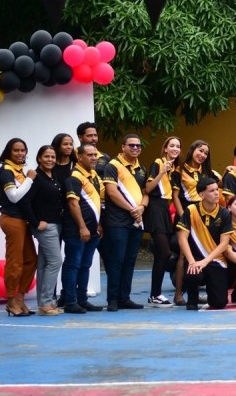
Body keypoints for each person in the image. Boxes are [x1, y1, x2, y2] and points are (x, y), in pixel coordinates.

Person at [101, 134, 148, 311]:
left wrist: (142, 207)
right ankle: (113, 299)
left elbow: (146, 192)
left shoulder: (141, 168)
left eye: (138, 146)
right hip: (117, 221)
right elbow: (112, 192)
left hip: (136, 221)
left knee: (130, 261)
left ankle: (124, 298)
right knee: (116, 260)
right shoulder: (113, 166)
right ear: (123, 147)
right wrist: (131, 209)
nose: (135, 148)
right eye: (131, 145)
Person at [20, 146, 65, 315]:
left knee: (45, 264)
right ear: (39, 158)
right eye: (46, 156)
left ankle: (44, 303)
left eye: (53, 157)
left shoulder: (53, 176)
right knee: (55, 262)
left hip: (56, 225)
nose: (50, 160)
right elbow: (24, 202)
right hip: (46, 227)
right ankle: (46, 303)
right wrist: (35, 222)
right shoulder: (36, 177)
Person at [177, 177, 233, 310]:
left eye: (217, 189)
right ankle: (192, 298)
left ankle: (212, 291)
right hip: (196, 258)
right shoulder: (191, 210)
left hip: (216, 260)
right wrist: (191, 261)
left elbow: (224, 243)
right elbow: (182, 238)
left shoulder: (224, 213)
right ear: (202, 195)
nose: (217, 193)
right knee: (192, 272)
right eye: (212, 191)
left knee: (219, 303)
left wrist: (206, 261)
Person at [62, 144, 104, 314]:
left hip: (92, 231)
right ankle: (70, 302)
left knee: (85, 265)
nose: (94, 158)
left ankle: (82, 300)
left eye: (95, 155)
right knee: (73, 265)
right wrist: (82, 227)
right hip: (77, 231)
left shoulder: (93, 176)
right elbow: (73, 204)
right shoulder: (74, 177)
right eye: (89, 155)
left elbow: (96, 202)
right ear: (79, 157)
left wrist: (98, 225)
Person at [0, 138, 37, 316]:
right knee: (15, 262)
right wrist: (29, 179)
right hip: (12, 220)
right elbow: (13, 197)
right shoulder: (6, 171)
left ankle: (20, 298)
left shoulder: (18, 170)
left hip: (23, 220)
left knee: (31, 259)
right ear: (9, 152)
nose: (20, 153)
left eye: (23, 150)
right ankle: (11, 301)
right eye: (16, 150)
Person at [143, 136, 182, 307]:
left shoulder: (175, 169)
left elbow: (174, 194)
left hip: (164, 209)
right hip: (155, 207)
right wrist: (162, 172)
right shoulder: (158, 163)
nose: (175, 149)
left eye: (178, 146)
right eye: (172, 145)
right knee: (165, 252)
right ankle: (155, 294)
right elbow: (148, 189)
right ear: (165, 148)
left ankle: (155, 295)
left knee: (162, 254)